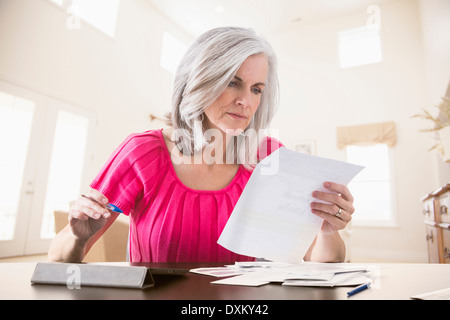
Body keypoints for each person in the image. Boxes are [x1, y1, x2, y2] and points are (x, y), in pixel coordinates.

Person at [48, 27, 355, 264]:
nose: (245, 101)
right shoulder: (142, 153)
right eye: (232, 82)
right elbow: (60, 257)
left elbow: (321, 261)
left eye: (256, 88)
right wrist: (77, 239)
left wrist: (328, 230)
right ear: (200, 81)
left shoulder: (269, 157)